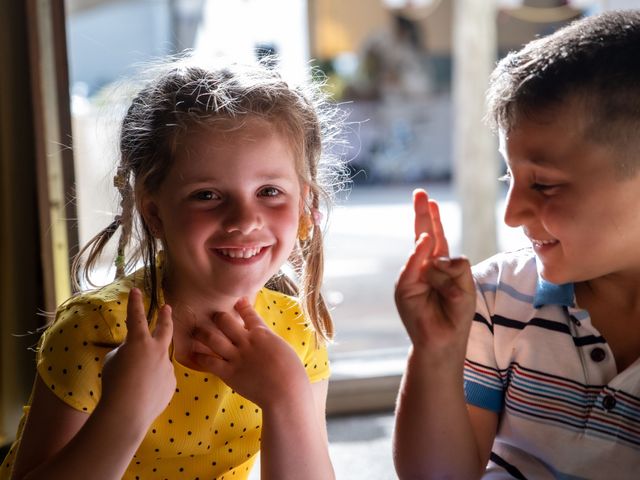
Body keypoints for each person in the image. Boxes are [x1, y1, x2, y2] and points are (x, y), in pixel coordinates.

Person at [1, 55, 346, 480]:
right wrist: (123, 415)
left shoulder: (295, 333)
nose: (244, 219)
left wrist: (287, 395)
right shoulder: (97, 332)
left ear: (306, 207)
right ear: (154, 212)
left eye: (269, 191)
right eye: (206, 195)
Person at [393, 10, 640, 479]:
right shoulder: (493, 300)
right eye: (510, 176)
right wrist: (435, 352)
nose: (511, 214)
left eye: (544, 185)